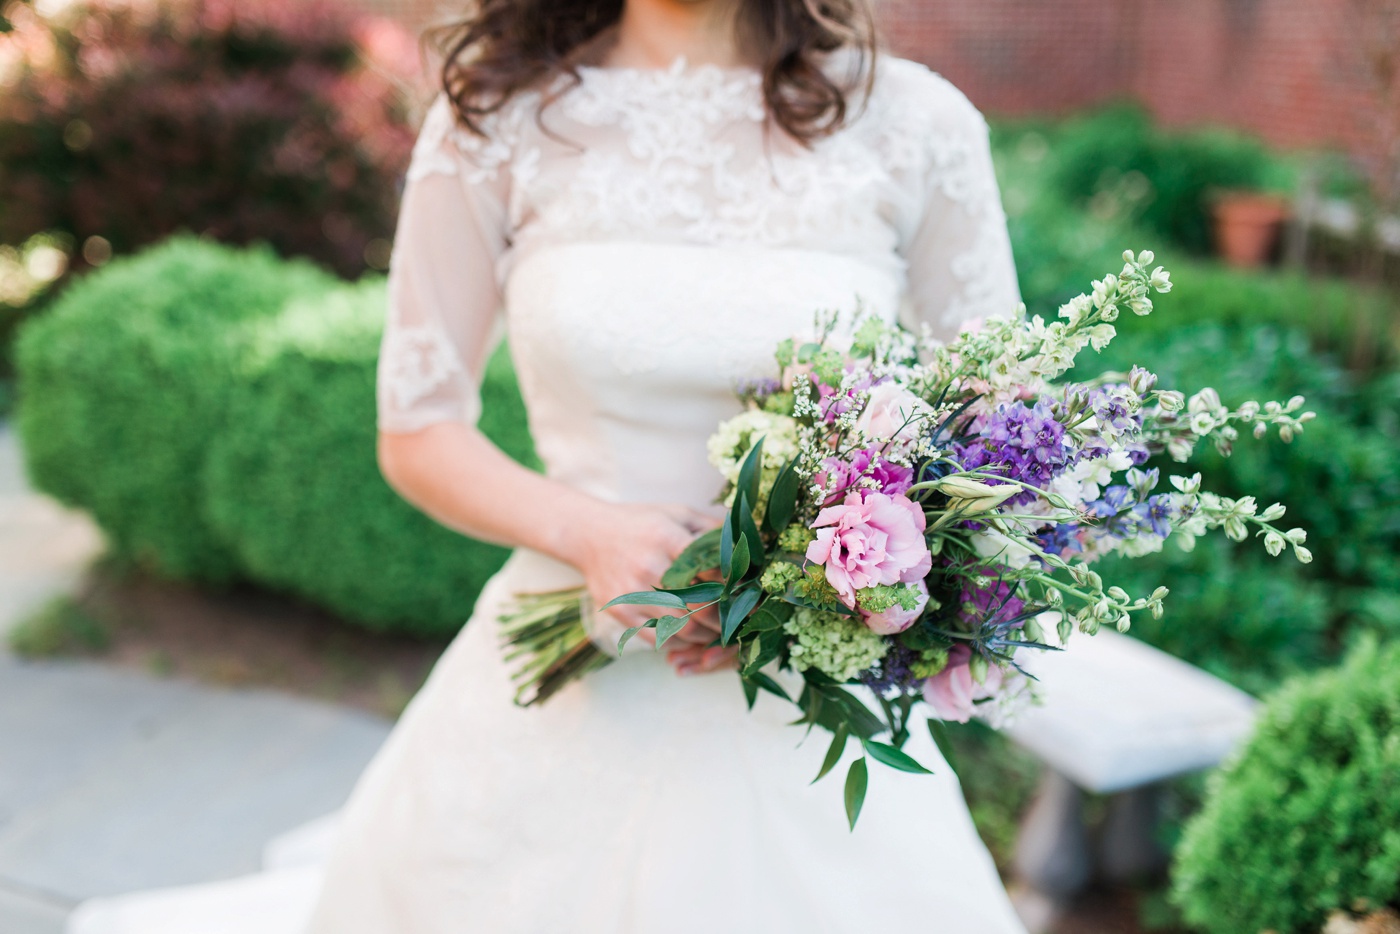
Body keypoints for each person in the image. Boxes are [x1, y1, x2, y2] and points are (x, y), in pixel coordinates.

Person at [69, 0, 1027, 930]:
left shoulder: (916, 123)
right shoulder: (497, 120)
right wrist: (590, 533)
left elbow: (999, 439)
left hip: (813, 704)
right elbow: (417, 429)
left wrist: (812, 590)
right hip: (571, 658)